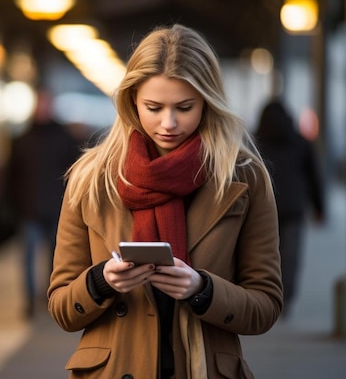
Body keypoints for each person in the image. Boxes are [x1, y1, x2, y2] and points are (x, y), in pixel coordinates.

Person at [47, 24, 283, 379]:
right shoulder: (91, 179)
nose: (169, 123)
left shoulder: (243, 178)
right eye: (153, 107)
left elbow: (265, 305)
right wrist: (101, 281)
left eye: (184, 107)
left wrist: (202, 290)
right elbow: (62, 307)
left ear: (208, 101)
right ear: (131, 100)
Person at [8, 88, 81, 318]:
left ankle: (51, 298)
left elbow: (75, 175)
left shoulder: (66, 139)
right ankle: (29, 302)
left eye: (46, 104)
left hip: (58, 209)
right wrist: (13, 205)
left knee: (56, 260)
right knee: (28, 259)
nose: (42, 108)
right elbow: (11, 176)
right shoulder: (21, 139)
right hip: (29, 210)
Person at [255, 98, 325, 315]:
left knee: (265, 254)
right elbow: (314, 177)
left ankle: (267, 295)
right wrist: (319, 208)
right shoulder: (301, 142)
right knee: (290, 256)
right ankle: (285, 299)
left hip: (264, 207)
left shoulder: (256, 142)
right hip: (293, 208)